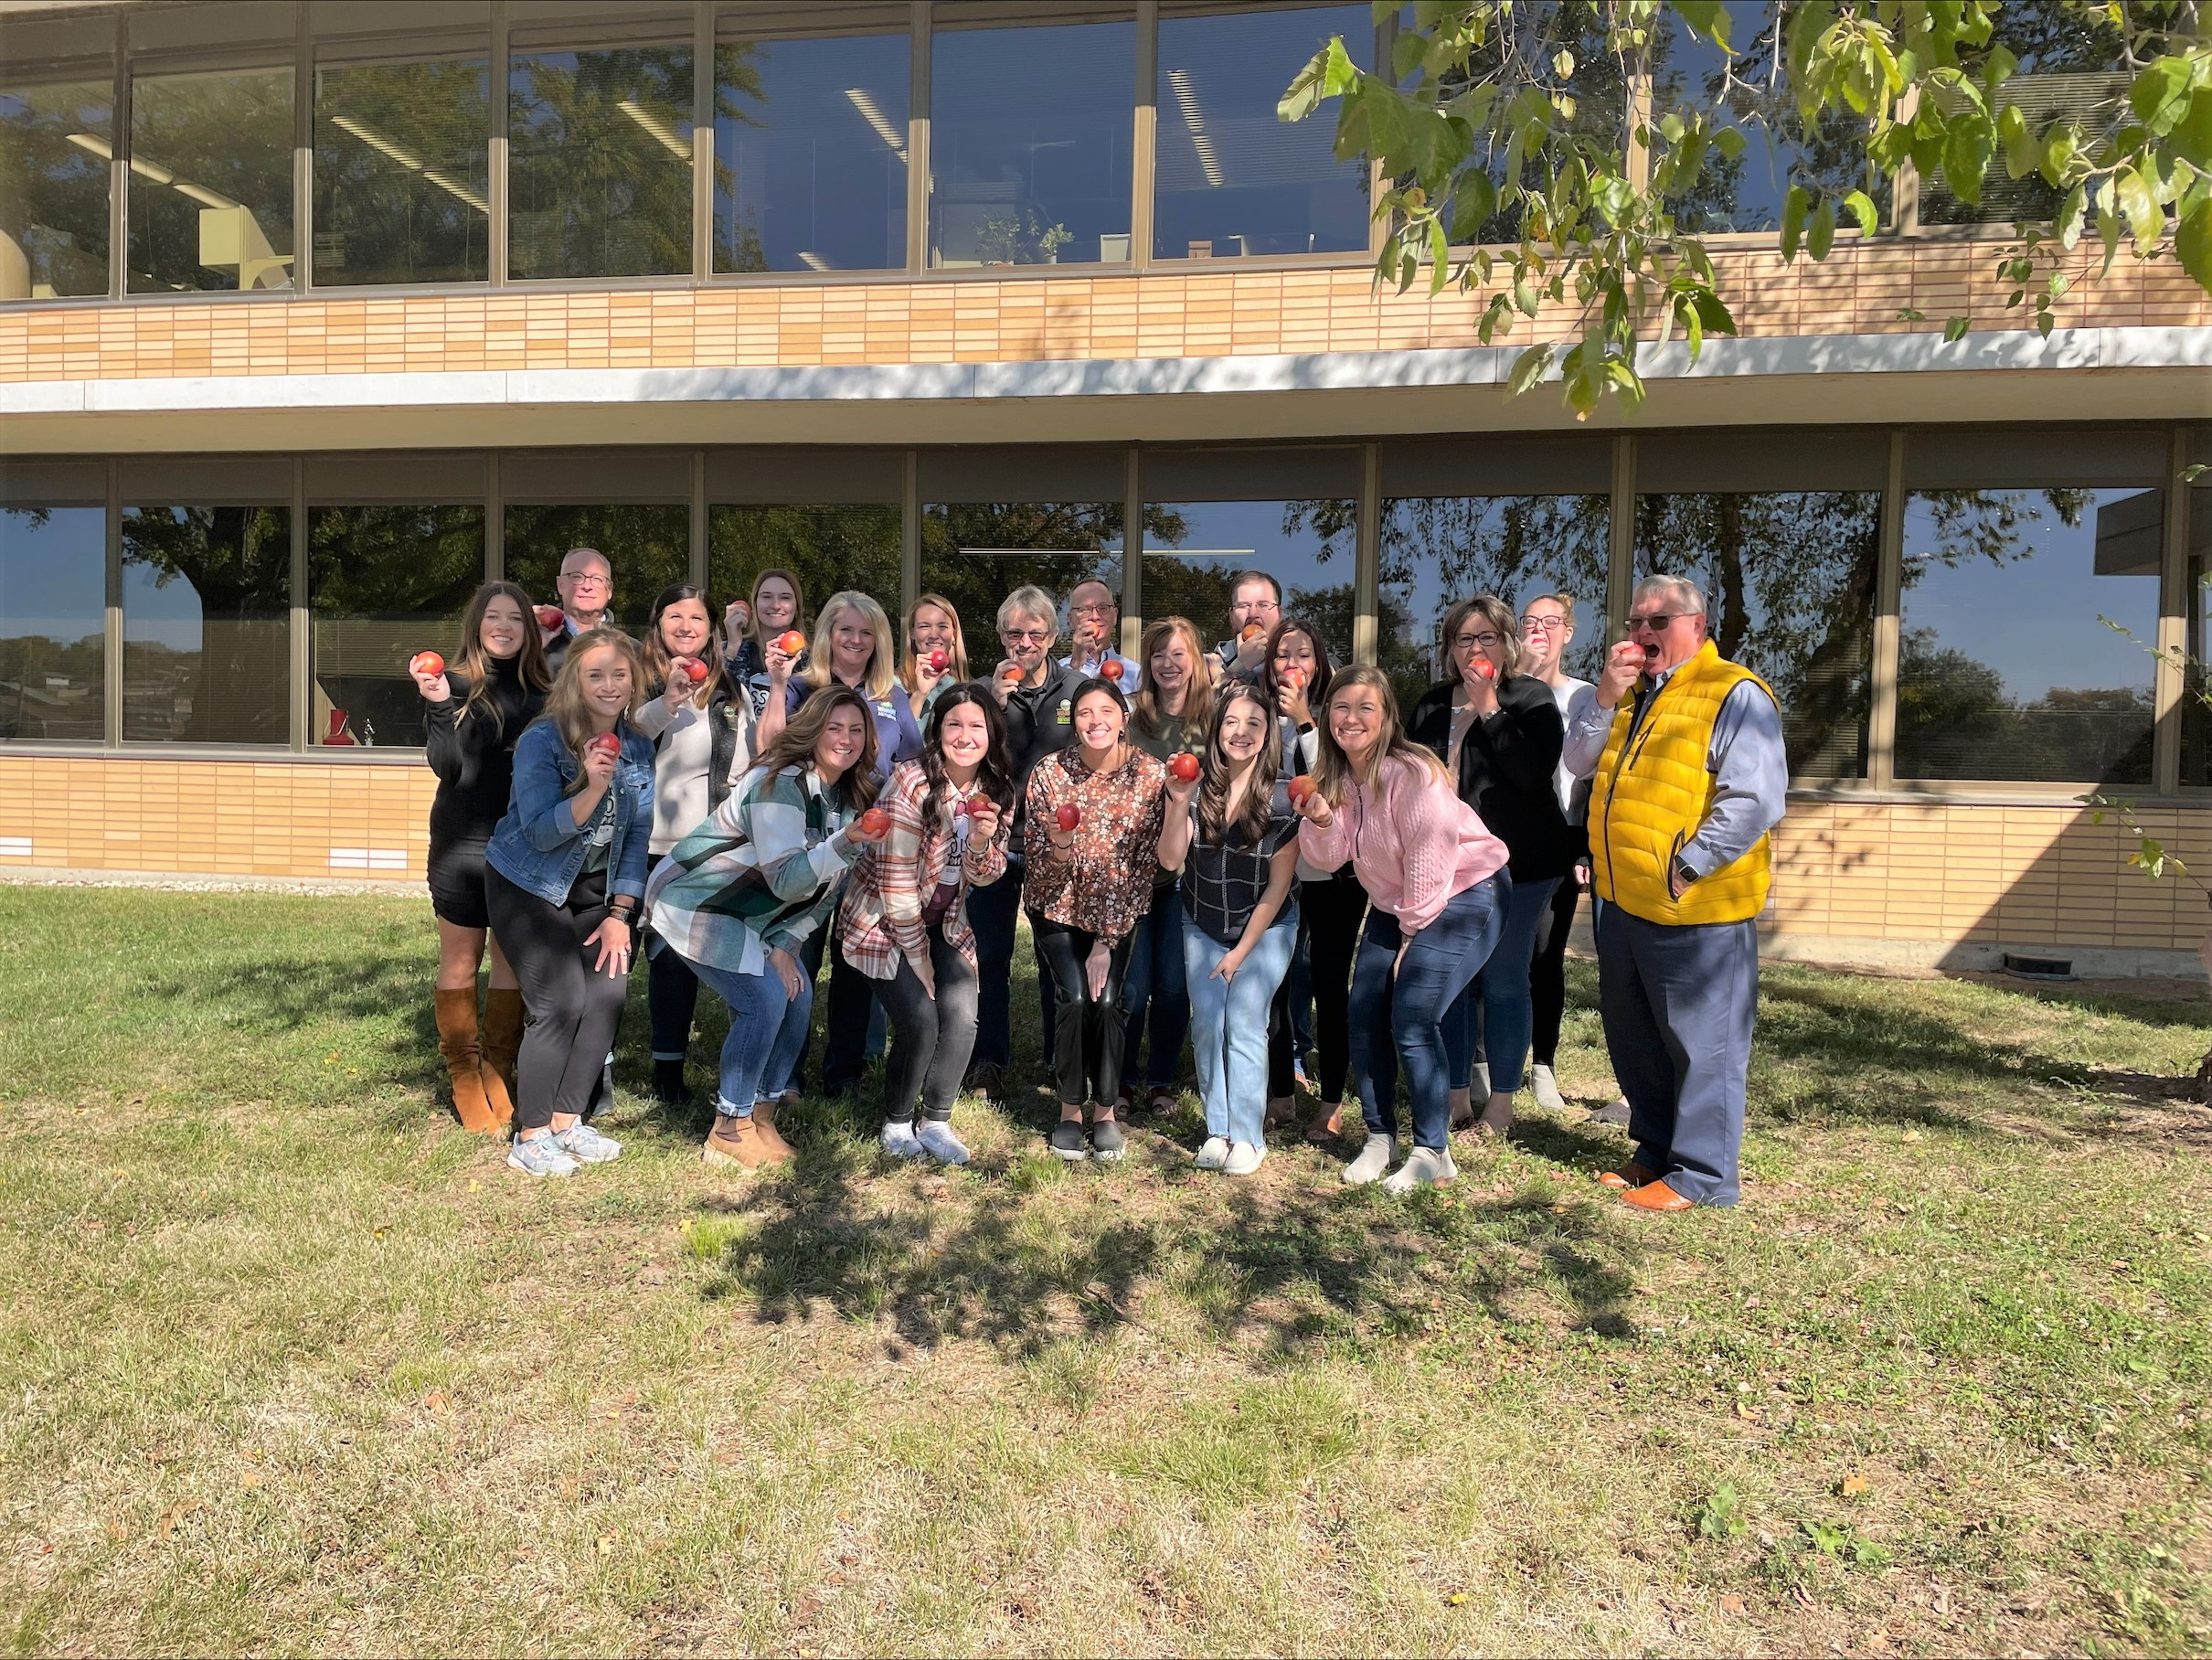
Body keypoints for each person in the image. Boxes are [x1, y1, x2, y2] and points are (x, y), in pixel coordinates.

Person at [1563, 573, 1788, 1211]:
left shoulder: (1735, 693)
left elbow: (1754, 798)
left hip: (1696, 906)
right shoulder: (1633, 694)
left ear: (1697, 624)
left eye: (1658, 622)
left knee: (1702, 1043)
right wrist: (1604, 696)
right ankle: (1656, 1151)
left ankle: (1704, 1176)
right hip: (1623, 900)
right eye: (1635, 622)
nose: (1642, 634)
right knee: (1637, 1038)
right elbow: (1578, 762)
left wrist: (1689, 865)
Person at [647, 688, 888, 1170]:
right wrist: (846, 840)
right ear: (814, 731)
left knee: (796, 995)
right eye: (834, 727)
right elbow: (787, 876)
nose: (846, 738)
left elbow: (827, 894)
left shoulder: (846, 797)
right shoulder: (781, 785)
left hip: (755, 916)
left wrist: (784, 944)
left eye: (856, 729)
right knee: (762, 1001)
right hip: (698, 903)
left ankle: (762, 1115)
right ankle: (728, 1128)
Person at [1292, 665, 1510, 1193]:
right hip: (1400, 902)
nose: (1352, 718)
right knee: (1362, 1011)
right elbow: (1331, 856)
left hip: (1465, 893)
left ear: (1387, 717)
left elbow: (1430, 859)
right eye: (1341, 708)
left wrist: (1410, 937)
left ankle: (1433, 1151)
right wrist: (1320, 819)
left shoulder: (1411, 773)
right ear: (1326, 718)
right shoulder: (1342, 778)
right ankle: (1379, 1137)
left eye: (1366, 707)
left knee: (1412, 1015)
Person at [483, 629, 654, 1177]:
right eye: (595, 674)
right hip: (526, 884)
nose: (609, 685)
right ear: (574, 681)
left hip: (594, 893)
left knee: (606, 995)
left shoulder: (640, 747)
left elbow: (635, 841)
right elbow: (538, 833)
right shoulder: (543, 741)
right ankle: (530, 1137)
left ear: (633, 682)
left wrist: (621, 917)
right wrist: (594, 786)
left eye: (619, 675)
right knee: (560, 1002)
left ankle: (566, 1121)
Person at [1409, 595, 1571, 1141]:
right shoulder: (1430, 705)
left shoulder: (1531, 697)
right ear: (1449, 648)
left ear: (1507, 644)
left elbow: (1530, 774)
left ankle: (1501, 1103)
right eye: (1463, 639)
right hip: (1447, 868)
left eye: (1487, 638)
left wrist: (1488, 707)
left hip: (1522, 866)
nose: (1475, 649)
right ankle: (1456, 1094)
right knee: (1453, 983)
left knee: (1503, 981)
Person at [837, 685, 1013, 1165]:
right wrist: (920, 962)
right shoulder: (912, 783)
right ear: (937, 732)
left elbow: (989, 873)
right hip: (881, 921)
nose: (965, 735)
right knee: (920, 1018)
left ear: (991, 734)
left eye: (977, 726)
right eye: (954, 724)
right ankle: (896, 1121)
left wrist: (979, 841)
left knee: (961, 1012)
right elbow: (895, 884)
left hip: (945, 922)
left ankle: (936, 1120)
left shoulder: (996, 790)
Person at [760, 591, 922, 1096]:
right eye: (845, 630)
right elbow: (770, 751)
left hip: (868, 843)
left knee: (856, 959)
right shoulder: (804, 685)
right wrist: (779, 684)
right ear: (828, 633)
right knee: (797, 955)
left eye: (866, 632)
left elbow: (912, 764)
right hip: (807, 839)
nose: (855, 640)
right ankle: (785, 1076)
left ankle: (844, 1072)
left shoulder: (891, 695)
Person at [415, 580, 552, 1132]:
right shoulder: (450, 684)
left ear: (529, 629)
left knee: (512, 961)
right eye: (493, 616)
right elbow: (447, 766)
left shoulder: (546, 692)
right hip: (461, 843)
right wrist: (437, 706)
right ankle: (464, 1073)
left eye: (514, 618)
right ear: (476, 625)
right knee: (462, 957)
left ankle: (499, 1066)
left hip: (523, 846)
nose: (503, 626)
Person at [1156, 682, 1300, 1176]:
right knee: (1207, 1022)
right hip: (1202, 920)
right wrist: (1177, 803)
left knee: (1243, 1017)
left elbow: (1278, 888)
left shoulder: (1283, 799)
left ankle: (1249, 1137)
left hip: (1265, 925)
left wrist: (1240, 954)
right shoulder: (1195, 788)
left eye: (1253, 724)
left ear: (1267, 735)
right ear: (1217, 731)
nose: (1241, 733)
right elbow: (1171, 860)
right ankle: (1218, 1130)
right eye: (1231, 723)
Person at [1025, 676, 1168, 1162]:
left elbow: (1143, 867)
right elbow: (1043, 876)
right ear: (1073, 720)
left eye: (1106, 711)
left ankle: (1105, 1112)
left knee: (1108, 1001)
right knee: (1074, 997)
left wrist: (1107, 940)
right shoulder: (1049, 774)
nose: (1095, 722)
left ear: (1123, 719)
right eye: (1085, 713)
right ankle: (1069, 1112)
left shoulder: (1150, 775)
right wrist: (1062, 845)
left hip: (1117, 910)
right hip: (1058, 907)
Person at [963, 585, 1085, 1101]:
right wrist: (991, 705)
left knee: (1053, 957)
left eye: (1036, 633)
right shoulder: (982, 693)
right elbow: (962, 757)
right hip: (994, 840)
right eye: (1014, 633)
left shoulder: (1077, 689)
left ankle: (1059, 1059)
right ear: (1000, 636)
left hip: (1052, 844)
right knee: (989, 955)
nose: (1024, 642)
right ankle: (988, 1058)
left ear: (1054, 637)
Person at [631, 583, 750, 1106]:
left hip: (700, 846)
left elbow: (745, 757)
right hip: (644, 841)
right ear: (658, 624)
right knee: (618, 957)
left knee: (674, 961)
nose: (686, 626)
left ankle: (668, 1072)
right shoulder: (638, 677)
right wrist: (665, 702)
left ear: (710, 630)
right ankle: (595, 1066)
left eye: (697, 618)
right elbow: (626, 736)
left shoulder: (726, 686)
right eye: (674, 616)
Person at [1260, 618, 1365, 1141]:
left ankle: (1330, 1102)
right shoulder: (1254, 713)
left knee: (1328, 983)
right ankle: (1280, 1090)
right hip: (1275, 863)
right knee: (1276, 983)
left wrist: (1304, 720)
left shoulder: (1335, 716)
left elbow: (1331, 782)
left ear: (1320, 663)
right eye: (1283, 654)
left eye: (1304, 653)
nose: (1292, 663)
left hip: (1333, 871)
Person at [1121, 615, 1211, 1116]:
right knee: (1134, 985)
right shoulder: (1133, 719)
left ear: (1195, 660)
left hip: (1188, 873)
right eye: (1158, 655)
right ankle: (1125, 1078)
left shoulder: (1214, 718)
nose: (1168, 664)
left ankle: (1161, 1080)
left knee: (1174, 985)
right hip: (1135, 871)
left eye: (1179, 654)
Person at [1517, 591, 1602, 1116]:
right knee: (1498, 952)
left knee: (1546, 956)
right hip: (1504, 835)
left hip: (1566, 836)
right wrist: (1519, 676)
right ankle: (1483, 1062)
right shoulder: (1502, 689)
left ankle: (1543, 1065)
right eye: (1530, 622)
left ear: (1568, 633)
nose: (1540, 631)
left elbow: (1595, 778)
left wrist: (1590, 848)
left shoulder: (1587, 696)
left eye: (1551, 623)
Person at [725, 568, 806, 720]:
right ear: (754, 605)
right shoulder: (733, 650)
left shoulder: (810, 660)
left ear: (797, 608)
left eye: (785, 598)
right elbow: (715, 702)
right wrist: (733, 646)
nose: (775, 605)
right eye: (766, 597)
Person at [538, 547, 615, 674]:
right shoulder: (538, 643)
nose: (587, 586)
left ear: (609, 589)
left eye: (597, 579)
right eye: (577, 577)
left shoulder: (631, 650)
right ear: (560, 585)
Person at [1059, 577, 1141, 694]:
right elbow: (1058, 707)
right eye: (1085, 609)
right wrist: (1075, 665)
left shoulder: (1135, 674)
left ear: (1115, 616)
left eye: (1103, 608)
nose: (1095, 616)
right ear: (1070, 619)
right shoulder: (1055, 674)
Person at [900, 591, 970, 718]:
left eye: (942, 626)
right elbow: (897, 735)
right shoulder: (893, 687)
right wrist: (920, 695)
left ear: (954, 635)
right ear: (912, 634)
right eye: (924, 626)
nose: (933, 635)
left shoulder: (969, 688)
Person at [1214, 569, 1282, 684]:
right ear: (1231, 616)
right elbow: (1206, 701)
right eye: (1243, 606)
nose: (1253, 614)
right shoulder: (1206, 665)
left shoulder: (1293, 663)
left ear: (1279, 614)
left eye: (1263, 605)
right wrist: (1242, 665)